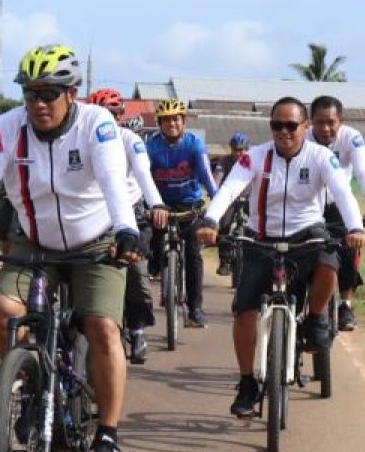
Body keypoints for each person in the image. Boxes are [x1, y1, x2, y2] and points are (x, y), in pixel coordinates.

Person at [0, 44, 140, 452]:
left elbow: (113, 180)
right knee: (2, 309)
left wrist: (126, 228)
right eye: (31, 94)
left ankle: (107, 433)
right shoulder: (7, 128)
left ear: (71, 93)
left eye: (49, 94)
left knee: (101, 326)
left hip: (96, 241)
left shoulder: (95, 124)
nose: (39, 104)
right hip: (36, 244)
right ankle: (29, 383)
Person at [195, 97, 365, 416]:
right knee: (244, 311)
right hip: (263, 239)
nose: (284, 132)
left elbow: (342, 193)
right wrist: (210, 220)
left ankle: (315, 318)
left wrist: (355, 227)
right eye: (277, 125)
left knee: (331, 260)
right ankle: (247, 383)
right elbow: (230, 189)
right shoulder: (255, 157)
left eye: (291, 125)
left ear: (306, 127)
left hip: (306, 235)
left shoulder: (321, 157)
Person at [88, 88, 168, 364]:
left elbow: (144, 173)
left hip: (132, 215)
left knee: (135, 273)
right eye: (100, 114)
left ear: (121, 116)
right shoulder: (82, 138)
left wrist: (156, 204)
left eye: (112, 114)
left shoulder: (130, 139)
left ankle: (136, 329)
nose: (106, 119)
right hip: (95, 217)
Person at [309, 95, 365, 331]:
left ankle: (346, 304)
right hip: (308, 206)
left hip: (339, 207)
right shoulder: (303, 138)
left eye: (331, 122)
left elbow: (363, 172)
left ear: (341, 121)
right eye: (319, 122)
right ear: (311, 122)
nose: (325, 128)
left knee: (350, 247)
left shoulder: (352, 138)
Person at [146, 98, 217, 328]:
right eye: (166, 120)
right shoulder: (151, 147)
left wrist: (217, 202)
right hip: (162, 206)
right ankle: (157, 265)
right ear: (159, 124)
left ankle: (195, 308)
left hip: (189, 205)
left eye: (176, 119)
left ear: (183, 122)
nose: (171, 124)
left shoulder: (194, 145)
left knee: (194, 255)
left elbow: (207, 176)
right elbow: (142, 178)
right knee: (152, 239)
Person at [215, 132, 251, 276]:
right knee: (224, 226)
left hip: (248, 197)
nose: (239, 153)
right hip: (229, 198)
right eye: (236, 149)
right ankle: (224, 262)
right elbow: (217, 177)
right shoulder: (224, 161)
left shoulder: (252, 161)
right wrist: (216, 192)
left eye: (242, 150)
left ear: (247, 149)